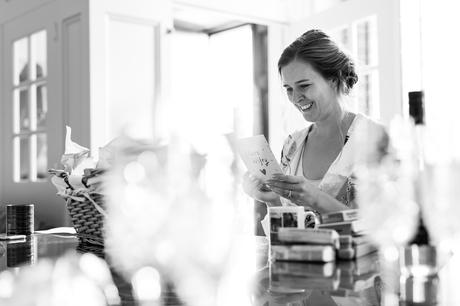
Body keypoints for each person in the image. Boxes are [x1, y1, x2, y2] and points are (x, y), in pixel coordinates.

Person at [243, 29, 387, 217]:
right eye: (288, 89)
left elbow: (384, 226)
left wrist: (316, 198)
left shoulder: (377, 139)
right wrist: (272, 200)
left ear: (334, 80)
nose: (295, 98)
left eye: (304, 86)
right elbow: (289, 232)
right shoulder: (292, 145)